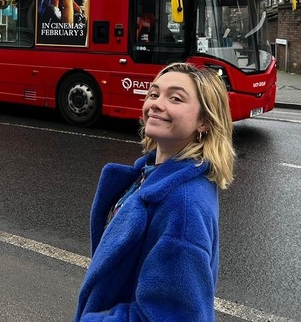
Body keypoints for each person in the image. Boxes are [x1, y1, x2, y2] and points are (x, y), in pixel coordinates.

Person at [75, 62, 235, 321]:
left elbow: (174, 316)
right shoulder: (154, 174)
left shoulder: (183, 206)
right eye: (153, 94)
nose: (157, 104)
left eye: (175, 98)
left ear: (204, 121)